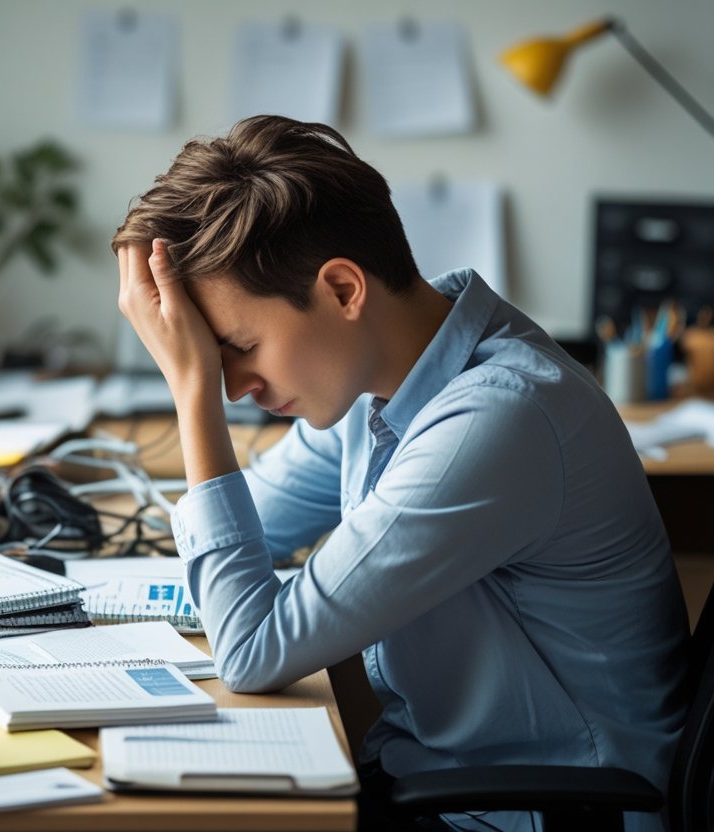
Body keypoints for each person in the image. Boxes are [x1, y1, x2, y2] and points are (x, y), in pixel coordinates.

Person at [112, 115, 689, 832]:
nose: (235, 386)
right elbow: (245, 523)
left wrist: (190, 393)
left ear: (344, 290)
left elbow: (252, 649)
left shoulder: (497, 420)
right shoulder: (384, 385)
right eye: (213, 358)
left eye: (238, 346)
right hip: (447, 787)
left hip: (545, 815)